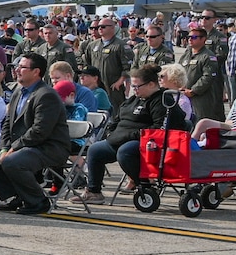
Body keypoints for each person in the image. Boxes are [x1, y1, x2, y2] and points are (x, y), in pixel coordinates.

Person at [0, 54, 71, 214]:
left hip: (49, 147)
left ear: (36, 72)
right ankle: (13, 196)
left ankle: (38, 201)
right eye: (17, 67)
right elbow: (7, 125)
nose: (17, 70)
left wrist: (12, 149)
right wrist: (4, 148)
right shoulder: (18, 92)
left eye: (22, 67)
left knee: (12, 161)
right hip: (23, 145)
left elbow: (40, 131)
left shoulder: (46, 95)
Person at [80, 64, 188, 205]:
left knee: (125, 152)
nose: (134, 90)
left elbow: (158, 128)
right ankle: (94, 191)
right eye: (133, 86)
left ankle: (145, 186)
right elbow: (118, 118)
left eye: (137, 87)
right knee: (95, 150)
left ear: (151, 84)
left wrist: (129, 136)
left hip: (146, 143)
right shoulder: (133, 100)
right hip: (119, 139)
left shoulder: (162, 101)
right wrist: (110, 132)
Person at [178, 24, 226, 123]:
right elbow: (179, 70)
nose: (190, 39)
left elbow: (208, 77)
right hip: (183, 94)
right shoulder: (186, 54)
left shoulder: (208, 56)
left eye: (194, 37)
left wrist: (193, 91)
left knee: (200, 122)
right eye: (189, 37)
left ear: (203, 39)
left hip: (200, 97)